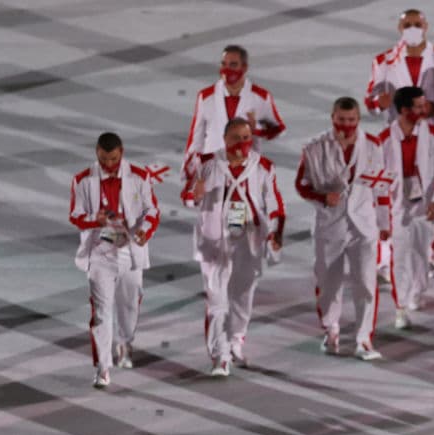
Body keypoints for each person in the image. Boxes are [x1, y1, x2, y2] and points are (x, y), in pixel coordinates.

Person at [181, 118, 285, 376]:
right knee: (217, 298)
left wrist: (275, 232)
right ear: (225, 139)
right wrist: (196, 194)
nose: (242, 142)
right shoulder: (207, 163)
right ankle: (220, 356)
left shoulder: (263, 166)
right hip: (215, 239)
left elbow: (275, 203)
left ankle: (236, 341)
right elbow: (187, 196)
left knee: (243, 293)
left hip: (248, 237)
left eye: (246, 137)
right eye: (236, 137)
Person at [295, 97, 393, 361]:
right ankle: (331, 329)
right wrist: (321, 197)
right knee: (328, 283)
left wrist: (384, 223)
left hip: (364, 225)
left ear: (358, 120)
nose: (346, 125)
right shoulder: (314, 148)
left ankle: (364, 339)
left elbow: (382, 187)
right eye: (341, 120)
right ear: (333, 118)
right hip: (330, 225)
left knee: (366, 282)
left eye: (351, 120)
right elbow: (301, 184)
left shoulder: (372, 145)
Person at [69, 132, 160, 388]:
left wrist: (145, 230)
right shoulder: (82, 180)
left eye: (113, 159)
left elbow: (152, 210)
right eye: (103, 159)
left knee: (129, 304)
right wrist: (94, 220)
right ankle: (102, 367)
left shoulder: (139, 177)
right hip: (100, 252)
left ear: (122, 153)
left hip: (129, 249)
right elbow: (75, 215)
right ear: (96, 153)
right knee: (101, 311)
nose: (109, 164)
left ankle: (125, 341)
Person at [378, 86, 434, 329]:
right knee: (399, 257)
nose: (424, 109)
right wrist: (381, 218)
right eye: (419, 106)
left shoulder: (432, 133)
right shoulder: (384, 139)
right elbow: (377, 181)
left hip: (424, 203)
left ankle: (417, 291)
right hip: (397, 206)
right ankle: (400, 307)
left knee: (422, 253)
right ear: (405, 110)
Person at [182, 45, 286, 183]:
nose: (227, 69)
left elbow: (279, 129)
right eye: (223, 64)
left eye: (233, 65)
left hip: (246, 170)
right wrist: (189, 171)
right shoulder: (206, 96)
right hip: (212, 168)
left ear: (244, 67)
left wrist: (256, 130)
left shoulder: (260, 97)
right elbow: (196, 138)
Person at [364, 8, 434, 139]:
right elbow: (370, 102)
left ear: (425, 27)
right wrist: (379, 103)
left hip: (433, 135)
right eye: (407, 25)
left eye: (417, 25)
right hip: (396, 137)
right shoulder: (382, 62)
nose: (412, 29)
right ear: (400, 28)